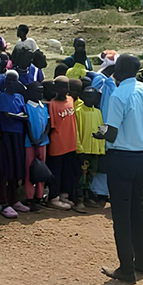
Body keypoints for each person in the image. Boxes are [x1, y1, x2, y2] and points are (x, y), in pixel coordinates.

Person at [97, 54, 143, 284]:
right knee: (136, 210)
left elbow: (111, 132)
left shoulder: (119, 94)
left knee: (121, 214)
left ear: (119, 70)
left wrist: (99, 132)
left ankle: (126, 268)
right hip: (141, 156)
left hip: (121, 158)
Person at [0, 70, 30, 218]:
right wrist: (19, 117)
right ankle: (4, 201)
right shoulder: (1, 96)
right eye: (8, 80)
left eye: (13, 81)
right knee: (6, 168)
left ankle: (14, 199)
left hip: (18, 135)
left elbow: (25, 115)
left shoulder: (20, 97)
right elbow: (6, 115)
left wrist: (19, 117)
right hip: (6, 136)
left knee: (17, 167)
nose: (10, 83)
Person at [47, 76, 79, 211]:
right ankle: (53, 198)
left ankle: (63, 195)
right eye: (60, 87)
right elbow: (51, 126)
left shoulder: (71, 100)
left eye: (65, 87)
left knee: (67, 171)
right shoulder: (52, 104)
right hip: (57, 144)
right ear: (55, 88)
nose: (63, 90)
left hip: (70, 143)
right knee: (56, 172)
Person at [76, 87, 105, 207]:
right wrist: (79, 148)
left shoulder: (97, 112)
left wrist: (101, 147)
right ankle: (79, 198)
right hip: (84, 149)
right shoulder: (78, 111)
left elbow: (101, 130)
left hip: (95, 149)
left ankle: (88, 196)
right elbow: (76, 131)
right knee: (81, 175)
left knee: (91, 174)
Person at [24, 82, 49, 212]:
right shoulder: (27, 106)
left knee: (41, 170)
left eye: (41, 92)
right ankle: (29, 198)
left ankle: (38, 197)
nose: (40, 94)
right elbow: (27, 123)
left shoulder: (43, 106)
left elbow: (48, 123)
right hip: (30, 143)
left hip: (42, 142)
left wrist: (42, 137)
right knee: (30, 170)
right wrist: (33, 139)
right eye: (37, 92)